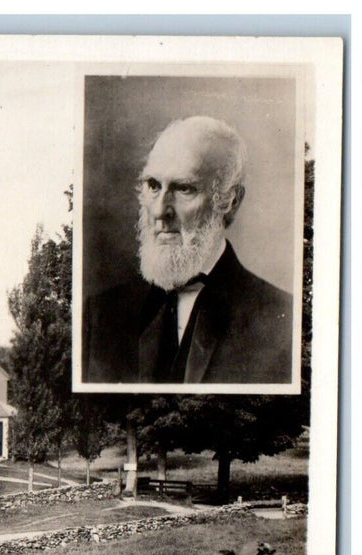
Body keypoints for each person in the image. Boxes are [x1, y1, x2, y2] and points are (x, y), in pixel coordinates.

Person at [82, 116, 293, 384]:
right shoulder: (101, 316)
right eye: (153, 185)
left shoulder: (282, 323)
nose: (160, 211)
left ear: (230, 201)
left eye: (184, 189)